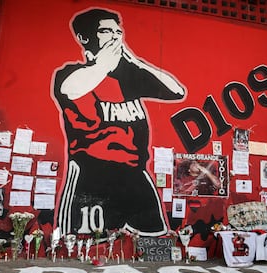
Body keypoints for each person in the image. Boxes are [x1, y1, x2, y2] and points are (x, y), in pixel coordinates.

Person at [52, 8, 186, 237]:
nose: (115, 36)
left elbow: (177, 91)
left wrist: (136, 63)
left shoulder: (129, 78)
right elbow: (71, 90)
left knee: (152, 242)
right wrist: (104, 64)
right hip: (91, 176)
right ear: (85, 38)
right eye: (106, 31)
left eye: (118, 31)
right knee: (86, 245)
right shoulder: (71, 73)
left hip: (136, 176)